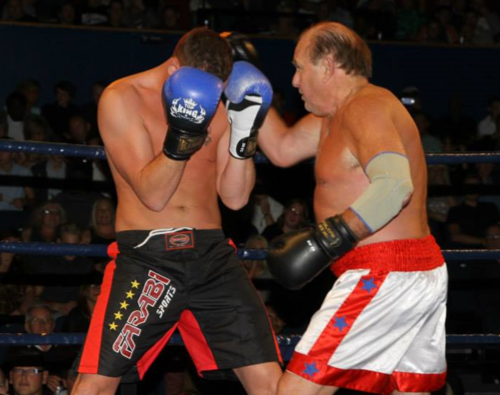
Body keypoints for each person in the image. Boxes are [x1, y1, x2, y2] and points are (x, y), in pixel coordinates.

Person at [71, 27, 281, 394]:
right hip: (149, 257)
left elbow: (235, 198)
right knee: (96, 384)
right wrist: (183, 134)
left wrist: (244, 132)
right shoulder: (123, 98)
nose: (211, 101)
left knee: (269, 379)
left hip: (213, 256)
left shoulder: (217, 100)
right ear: (173, 69)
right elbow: (152, 195)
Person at [259, 22, 447, 394]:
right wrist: (246, 94)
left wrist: (330, 238)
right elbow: (281, 149)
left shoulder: (367, 107)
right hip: (409, 270)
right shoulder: (334, 116)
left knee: (296, 391)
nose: (294, 81)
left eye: (299, 68)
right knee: (408, 390)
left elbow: (395, 186)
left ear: (328, 65)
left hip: (383, 271)